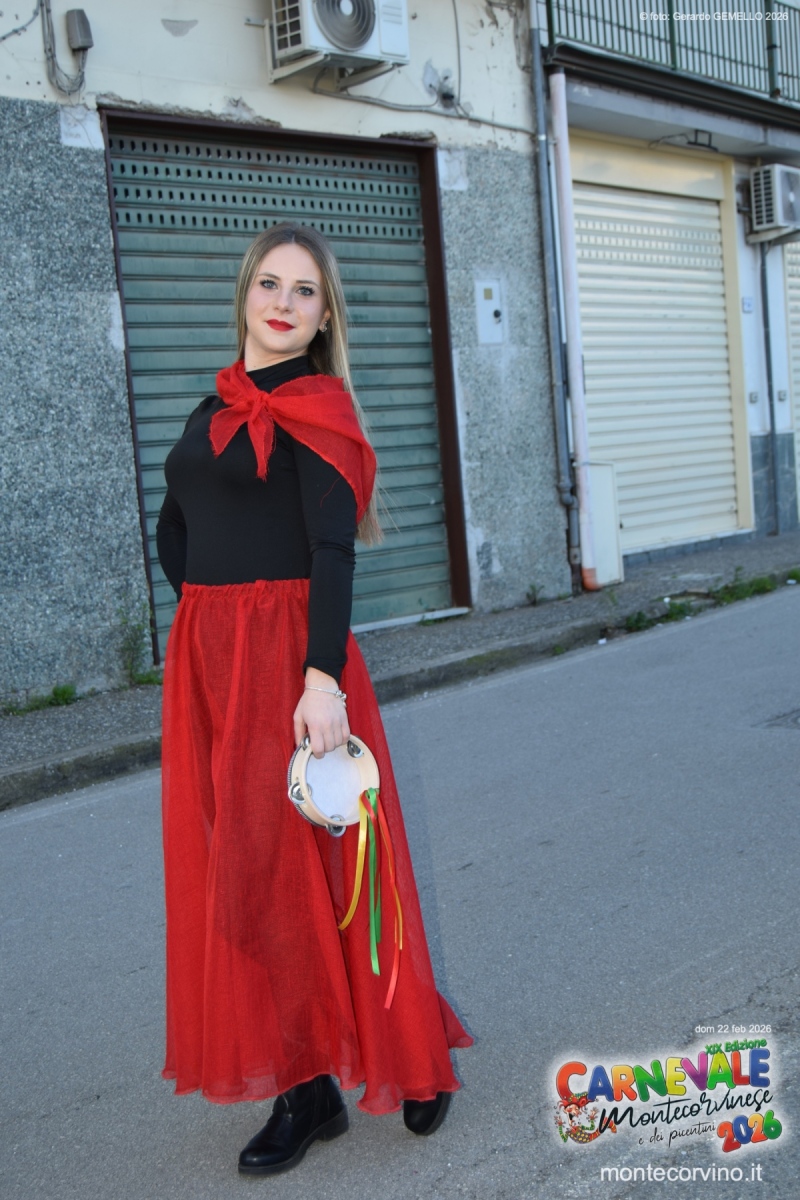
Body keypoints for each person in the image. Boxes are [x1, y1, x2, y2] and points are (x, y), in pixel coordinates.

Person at [155, 222, 472, 1177]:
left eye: (304, 291)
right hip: (215, 667)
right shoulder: (211, 405)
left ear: (325, 315)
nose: (283, 302)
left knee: (345, 876)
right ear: (245, 294)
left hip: (298, 668)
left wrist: (319, 678)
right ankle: (308, 1089)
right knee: (248, 881)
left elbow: (333, 553)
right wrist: (207, 627)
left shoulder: (319, 411)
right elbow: (179, 525)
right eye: (269, 283)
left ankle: (410, 1053)